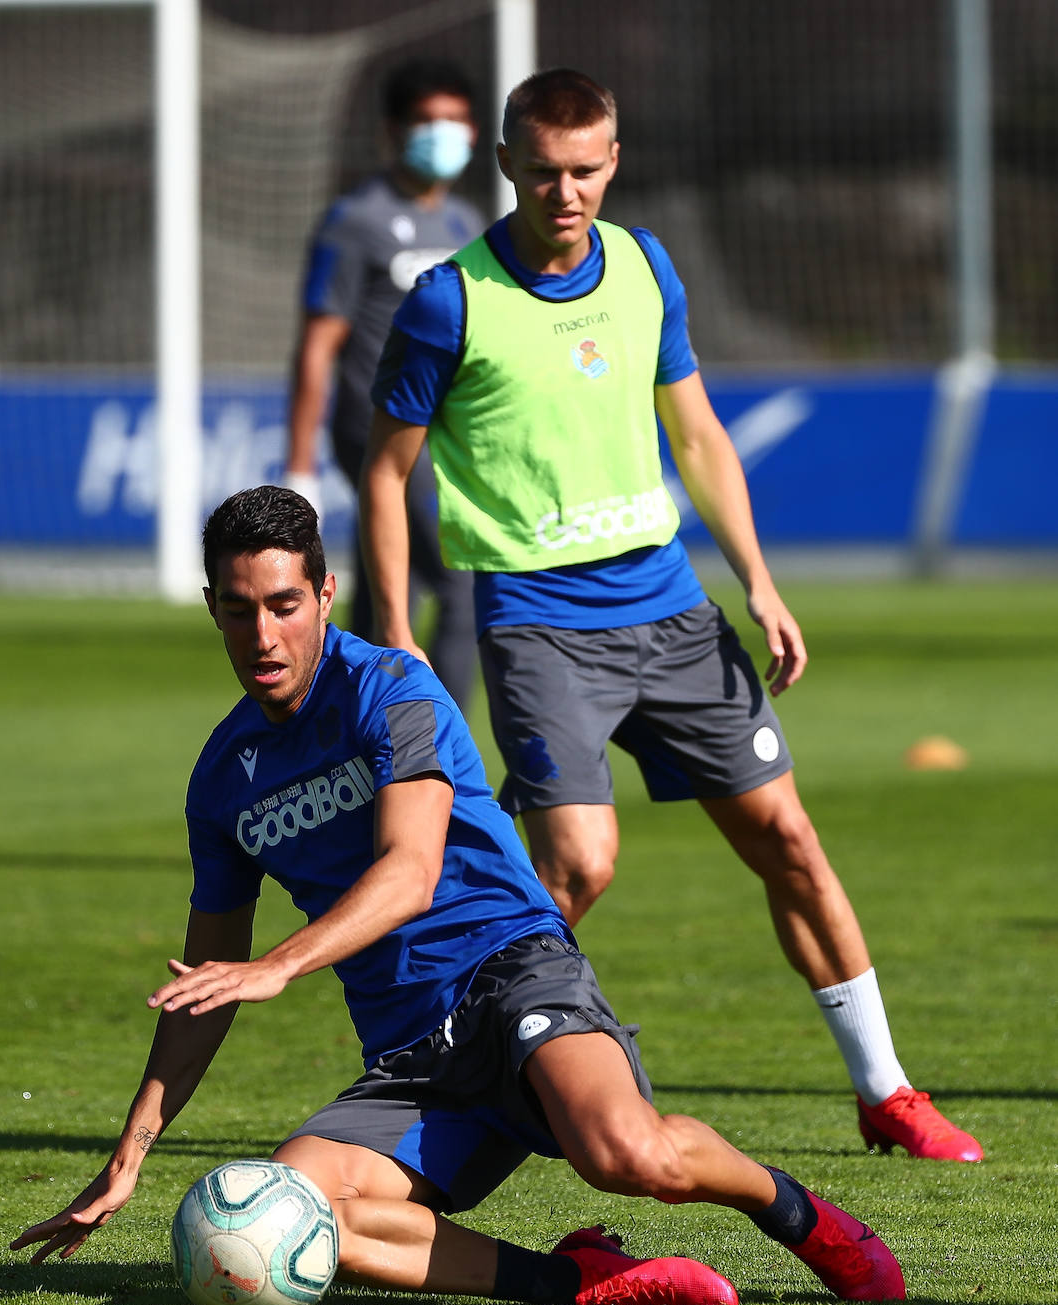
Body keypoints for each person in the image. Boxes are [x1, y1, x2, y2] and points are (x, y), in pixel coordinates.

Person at [10, 485, 905, 1305]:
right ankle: (576, 1278)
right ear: (213, 608)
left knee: (629, 1157)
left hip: (513, 975)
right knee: (303, 1210)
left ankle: (795, 1213)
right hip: (408, 1055)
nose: (264, 636)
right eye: (238, 611)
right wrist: (128, 1157)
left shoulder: (390, 690)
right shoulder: (222, 780)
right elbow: (206, 984)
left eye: (284, 605)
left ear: (325, 593)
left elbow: (411, 871)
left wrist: (278, 966)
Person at [359, 69, 983, 1164]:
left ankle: (887, 1092)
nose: (566, 193)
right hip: (539, 622)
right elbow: (383, 474)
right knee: (575, 868)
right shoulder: (448, 300)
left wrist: (758, 579)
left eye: (587, 170)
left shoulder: (645, 266)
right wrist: (404, 636)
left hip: (670, 606)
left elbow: (695, 435)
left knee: (789, 840)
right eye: (545, 172)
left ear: (613, 160)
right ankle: (438, 1069)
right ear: (508, 163)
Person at [283, 57, 483, 712]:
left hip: (444, 433)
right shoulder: (355, 221)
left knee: (378, 590)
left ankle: (349, 739)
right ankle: (436, 756)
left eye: (454, 120)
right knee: (459, 585)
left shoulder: (466, 224)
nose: (441, 134)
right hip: (377, 430)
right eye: (426, 121)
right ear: (391, 132)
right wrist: (300, 466)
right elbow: (317, 347)